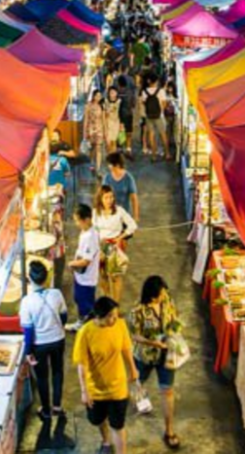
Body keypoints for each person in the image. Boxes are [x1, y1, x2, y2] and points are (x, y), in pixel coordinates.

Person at [74, 297, 139, 454]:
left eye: (115, 315)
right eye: (110, 316)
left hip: (118, 387)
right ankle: (106, 441)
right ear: (98, 316)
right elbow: (81, 364)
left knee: (118, 425)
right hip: (95, 389)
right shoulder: (85, 332)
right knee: (97, 419)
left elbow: (126, 348)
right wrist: (84, 391)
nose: (114, 319)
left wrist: (133, 369)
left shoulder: (120, 325)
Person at [129, 276, 182, 449]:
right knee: (138, 381)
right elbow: (134, 335)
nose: (164, 296)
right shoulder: (138, 310)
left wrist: (175, 332)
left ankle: (169, 430)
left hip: (166, 355)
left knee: (167, 391)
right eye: (160, 294)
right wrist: (153, 342)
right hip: (145, 355)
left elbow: (174, 316)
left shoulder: (167, 300)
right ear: (152, 296)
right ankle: (140, 398)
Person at [20, 260, 68, 419]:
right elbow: (64, 317)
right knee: (57, 372)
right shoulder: (56, 294)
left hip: (39, 345)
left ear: (30, 279)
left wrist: (28, 352)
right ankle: (57, 405)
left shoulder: (27, 302)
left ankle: (46, 409)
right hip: (58, 340)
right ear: (47, 278)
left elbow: (28, 331)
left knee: (42, 376)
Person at [93, 184, 138, 302]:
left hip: (114, 245)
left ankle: (116, 304)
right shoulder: (95, 213)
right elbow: (93, 230)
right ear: (100, 199)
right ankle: (108, 300)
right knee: (102, 276)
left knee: (116, 276)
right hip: (101, 246)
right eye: (106, 198)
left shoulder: (119, 211)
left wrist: (121, 237)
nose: (109, 200)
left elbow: (132, 225)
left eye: (111, 197)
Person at [67, 204, 100, 331]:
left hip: (87, 278)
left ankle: (87, 327)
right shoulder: (86, 231)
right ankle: (83, 322)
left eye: (77, 220)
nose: (76, 223)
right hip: (81, 276)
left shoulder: (91, 237)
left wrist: (71, 264)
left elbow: (86, 261)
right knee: (79, 299)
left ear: (86, 220)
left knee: (85, 303)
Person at [102, 152, 139, 221]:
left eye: (110, 164)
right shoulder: (107, 178)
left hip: (125, 215)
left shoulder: (128, 178)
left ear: (117, 165)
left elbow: (134, 199)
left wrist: (135, 217)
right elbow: (102, 196)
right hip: (111, 215)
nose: (108, 166)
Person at [140, 75, 169, 158]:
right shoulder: (161, 91)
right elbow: (164, 103)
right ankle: (167, 153)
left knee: (151, 135)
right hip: (159, 116)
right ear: (156, 81)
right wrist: (161, 111)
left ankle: (153, 154)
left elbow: (143, 103)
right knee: (163, 134)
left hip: (149, 115)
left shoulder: (144, 91)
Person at [84, 90, 107, 173]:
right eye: (97, 95)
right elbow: (86, 119)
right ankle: (91, 163)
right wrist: (85, 132)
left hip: (99, 129)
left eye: (99, 96)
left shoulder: (102, 106)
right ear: (93, 96)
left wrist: (105, 131)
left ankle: (98, 168)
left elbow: (103, 119)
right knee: (92, 148)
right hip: (90, 129)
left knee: (98, 148)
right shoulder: (88, 106)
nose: (98, 97)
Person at [104, 86, 123, 153]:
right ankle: (109, 154)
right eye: (111, 92)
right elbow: (104, 114)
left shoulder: (119, 101)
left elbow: (121, 113)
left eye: (114, 92)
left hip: (116, 123)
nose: (113, 94)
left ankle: (113, 156)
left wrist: (121, 124)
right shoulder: (105, 102)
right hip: (108, 123)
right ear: (108, 93)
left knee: (114, 141)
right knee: (108, 141)